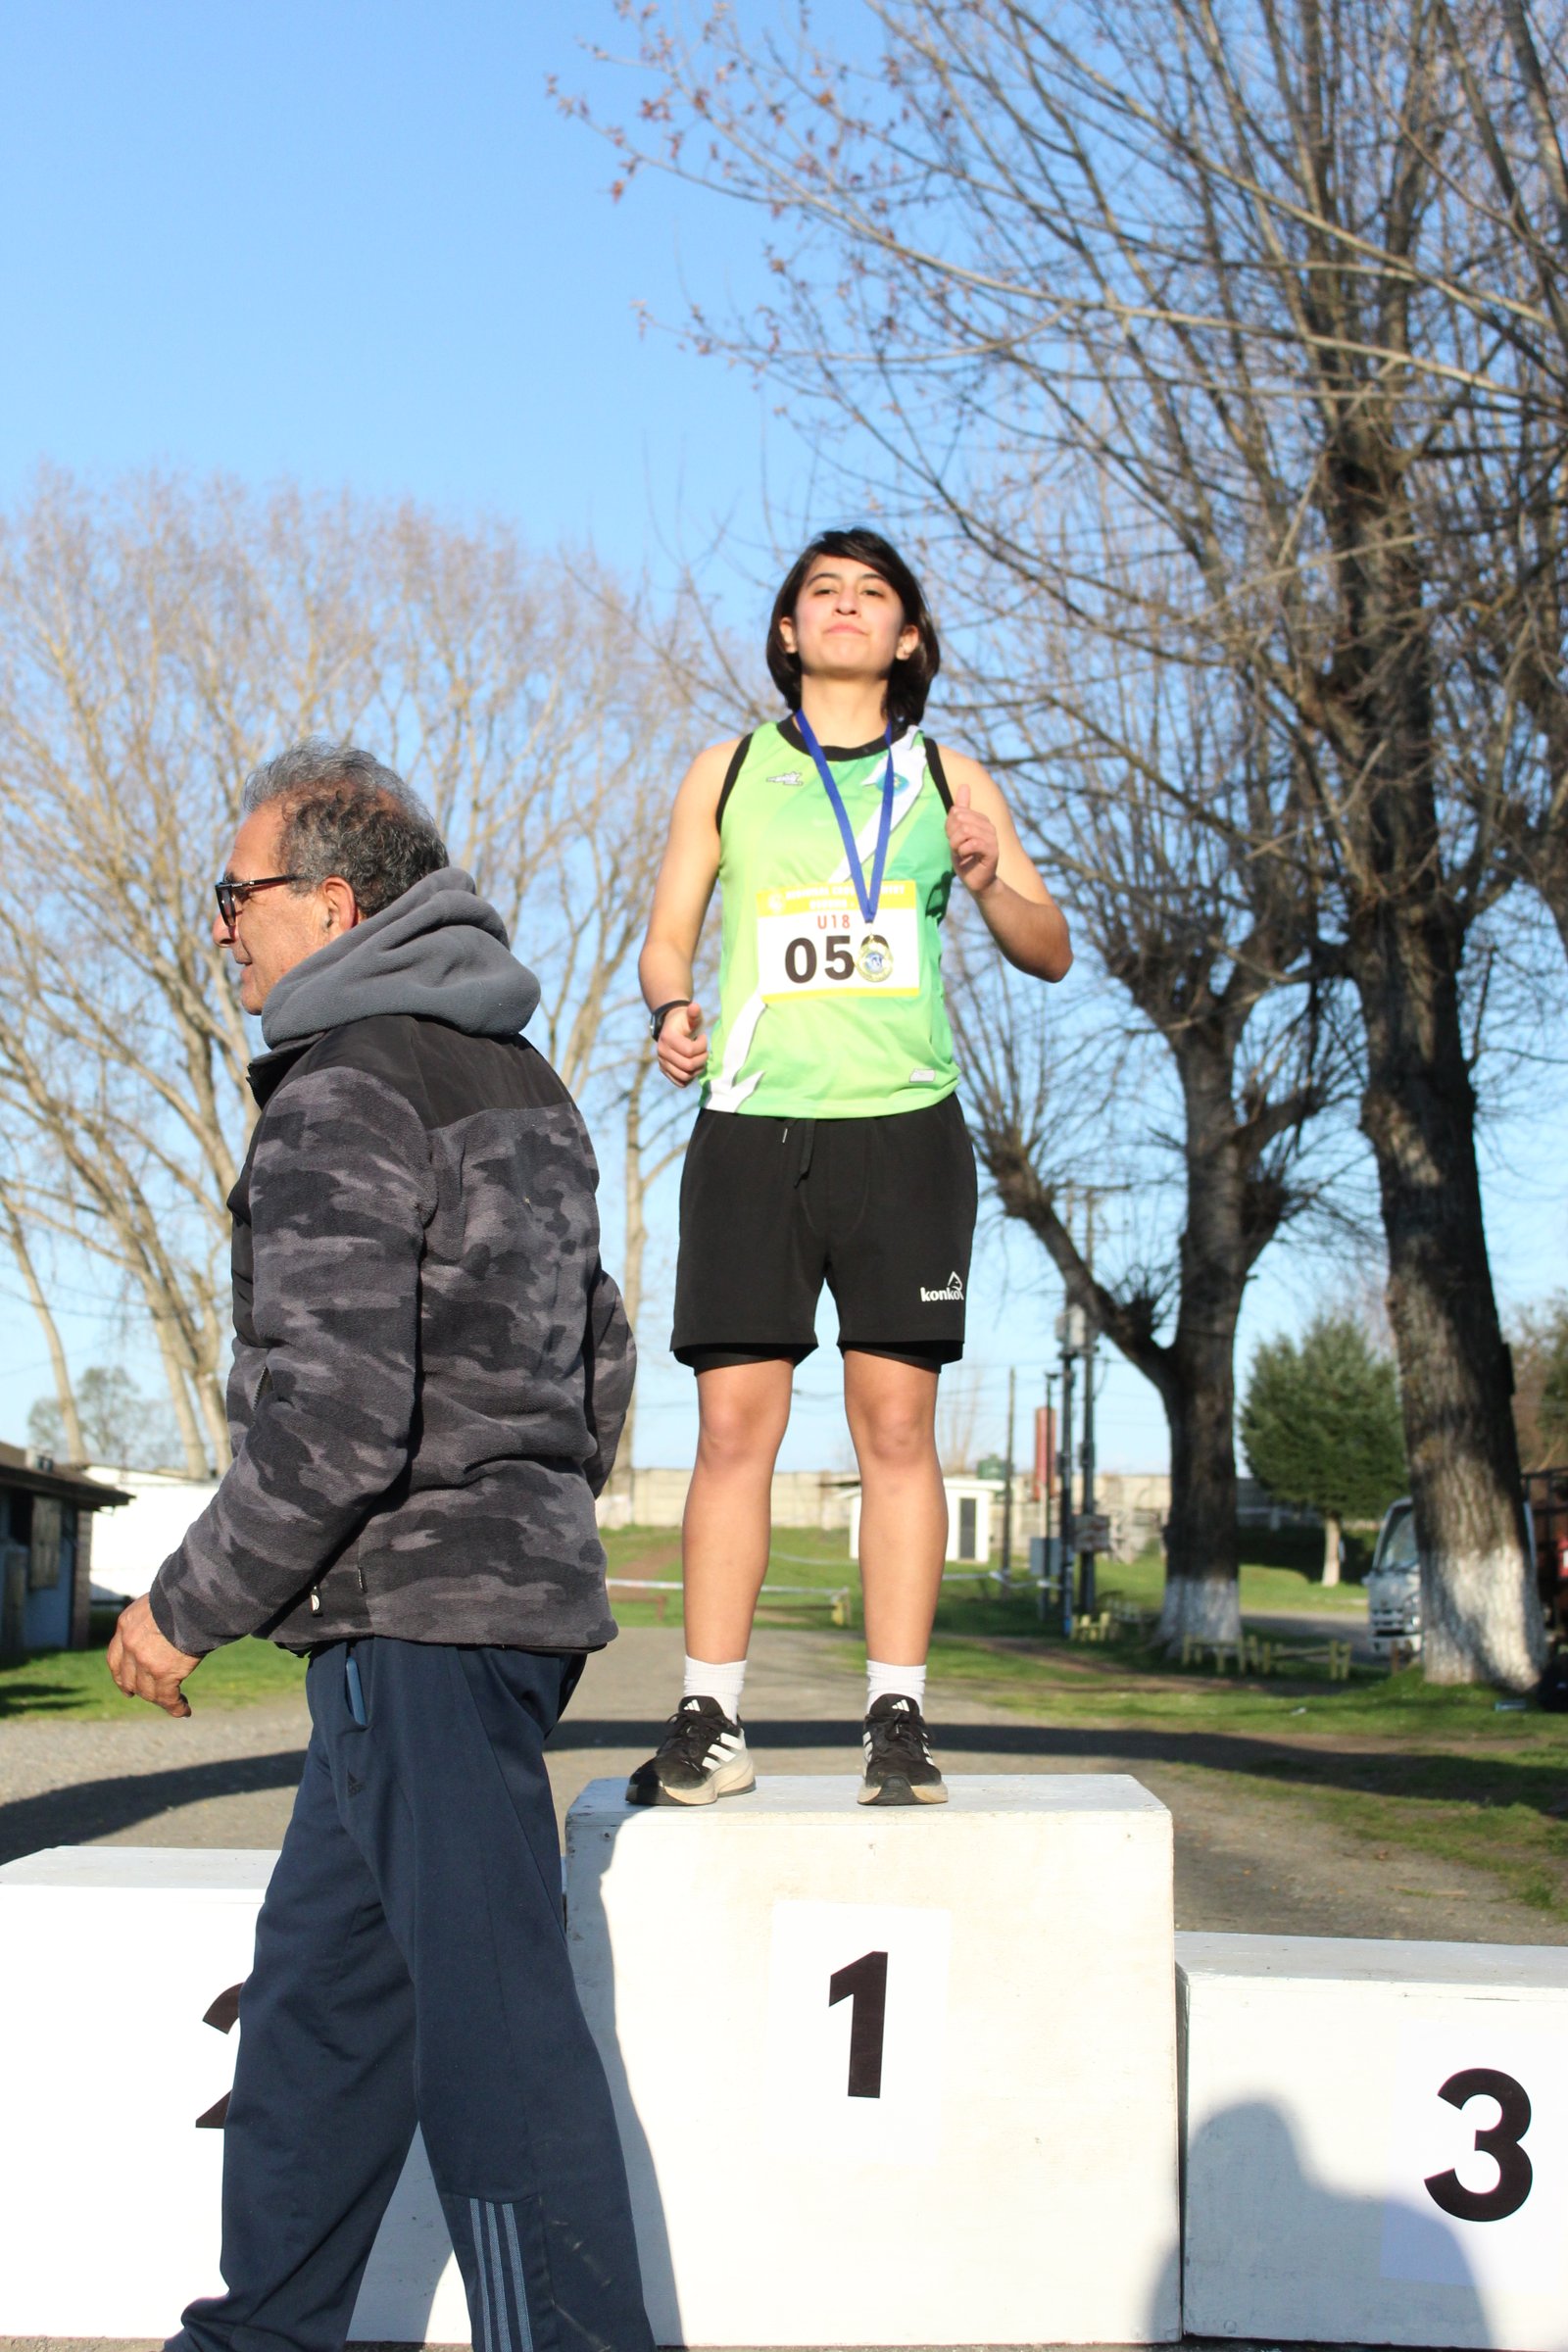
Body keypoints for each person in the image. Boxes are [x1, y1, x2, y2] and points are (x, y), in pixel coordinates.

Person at [107, 739, 653, 2352]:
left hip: (417, 1625)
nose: (225, 928)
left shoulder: (345, 1081)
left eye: (240, 895)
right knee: (319, 2034)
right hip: (455, 1620)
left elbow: (331, 1418)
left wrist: (186, 1609)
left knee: (496, 2057)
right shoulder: (521, 1082)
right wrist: (530, 1517)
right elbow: (596, 1352)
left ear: (333, 903)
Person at [630, 527, 1071, 1810]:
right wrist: (670, 1010)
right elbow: (669, 940)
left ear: (908, 638)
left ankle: (899, 1719)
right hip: (754, 1128)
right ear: (785, 631)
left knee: (896, 1425)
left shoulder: (949, 774)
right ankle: (710, 1715)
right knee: (731, 1427)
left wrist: (989, 880)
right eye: (821, 591)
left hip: (906, 1130)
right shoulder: (727, 771)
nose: (844, 607)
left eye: (872, 594)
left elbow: (1050, 949)